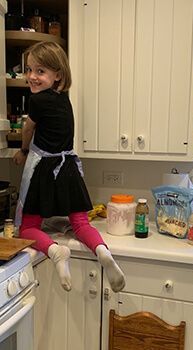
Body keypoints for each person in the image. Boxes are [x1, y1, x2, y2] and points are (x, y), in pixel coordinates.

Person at [13, 41, 125, 293]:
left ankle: (55, 252)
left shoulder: (38, 100)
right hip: (69, 168)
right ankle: (102, 251)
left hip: (45, 169)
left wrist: (22, 150)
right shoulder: (65, 100)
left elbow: (28, 128)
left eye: (40, 71)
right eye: (29, 69)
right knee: (81, 224)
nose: (32, 76)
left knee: (28, 227)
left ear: (58, 75)